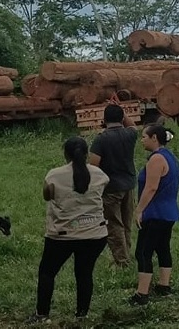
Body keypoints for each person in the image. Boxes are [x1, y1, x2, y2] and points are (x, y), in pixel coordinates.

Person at [27, 137, 110, 324]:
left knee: (47, 272)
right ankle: (82, 315)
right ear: (87, 154)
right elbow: (102, 190)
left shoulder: (54, 175)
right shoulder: (100, 174)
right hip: (94, 233)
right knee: (84, 273)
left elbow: (47, 195)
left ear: (65, 154)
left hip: (62, 234)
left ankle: (42, 315)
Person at [129, 124, 179, 306]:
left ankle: (142, 294)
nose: (141, 140)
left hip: (155, 212)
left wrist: (139, 209)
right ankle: (163, 286)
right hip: (169, 211)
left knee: (143, 251)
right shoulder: (169, 156)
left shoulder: (156, 159)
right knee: (162, 248)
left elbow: (151, 187)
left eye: (144, 136)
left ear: (154, 138)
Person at [89, 102, 138, 267]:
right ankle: (126, 253)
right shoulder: (130, 135)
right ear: (121, 118)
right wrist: (123, 113)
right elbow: (133, 126)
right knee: (126, 223)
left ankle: (121, 261)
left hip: (110, 188)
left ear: (104, 119)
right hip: (129, 185)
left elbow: (94, 166)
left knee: (114, 224)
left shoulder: (101, 139)